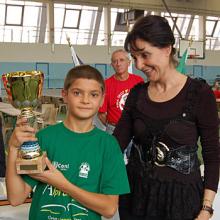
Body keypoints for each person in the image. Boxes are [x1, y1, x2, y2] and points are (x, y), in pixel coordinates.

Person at [113, 15, 220, 220]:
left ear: (167, 48)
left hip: (181, 201)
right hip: (136, 197)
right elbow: (115, 143)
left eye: (145, 55)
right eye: (135, 57)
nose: (139, 64)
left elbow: (212, 155)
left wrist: (206, 208)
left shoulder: (199, 93)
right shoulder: (137, 94)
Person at [6, 65, 130, 220]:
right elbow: (16, 198)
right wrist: (13, 148)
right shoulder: (43, 138)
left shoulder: (108, 145)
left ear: (102, 100)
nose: (85, 100)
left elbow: (109, 208)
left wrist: (62, 184)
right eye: (77, 93)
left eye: (93, 94)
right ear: (64, 95)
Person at [98, 49, 143, 134]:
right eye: (115, 61)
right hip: (114, 129)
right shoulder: (106, 84)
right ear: (112, 65)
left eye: (122, 60)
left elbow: (144, 106)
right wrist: (112, 126)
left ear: (129, 63)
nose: (118, 64)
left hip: (136, 129)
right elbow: (101, 113)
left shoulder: (138, 81)